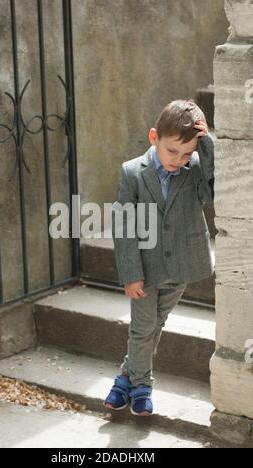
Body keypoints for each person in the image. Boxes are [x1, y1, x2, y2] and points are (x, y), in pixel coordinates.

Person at [104, 99, 215, 416]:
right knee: (142, 328)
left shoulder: (193, 170)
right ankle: (142, 386)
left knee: (156, 325)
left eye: (186, 154)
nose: (178, 160)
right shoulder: (132, 174)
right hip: (145, 267)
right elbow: (124, 226)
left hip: (181, 265)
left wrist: (206, 145)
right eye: (172, 152)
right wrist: (130, 274)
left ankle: (125, 377)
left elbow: (212, 190)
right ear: (154, 137)